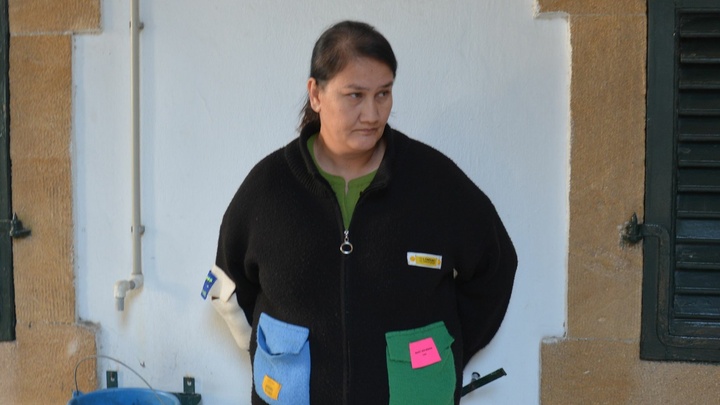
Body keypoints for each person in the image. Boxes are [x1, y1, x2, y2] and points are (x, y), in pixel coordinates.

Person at [204, 20, 517, 405]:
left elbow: (495, 266)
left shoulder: (434, 183)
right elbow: (230, 286)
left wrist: (443, 350)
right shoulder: (268, 189)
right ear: (315, 94)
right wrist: (271, 350)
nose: (372, 113)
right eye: (355, 95)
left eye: (383, 93)